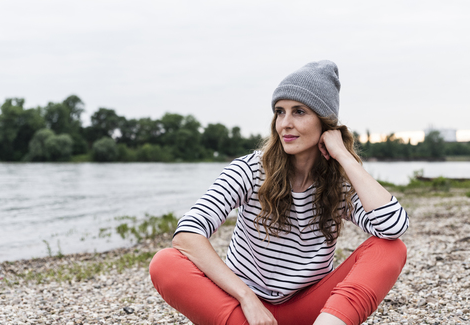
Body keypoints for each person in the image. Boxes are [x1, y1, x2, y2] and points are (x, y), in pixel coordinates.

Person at [149, 60, 409, 325]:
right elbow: (187, 235)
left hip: (310, 311)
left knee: (390, 248)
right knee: (165, 263)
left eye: (299, 112)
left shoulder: (338, 183)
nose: (285, 123)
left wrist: (342, 155)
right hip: (248, 312)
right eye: (279, 112)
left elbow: (393, 227)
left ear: (325, 123)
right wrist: (246, 297)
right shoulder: (249, 170)